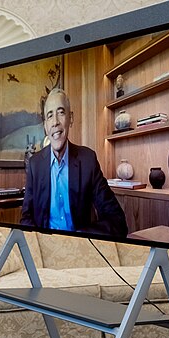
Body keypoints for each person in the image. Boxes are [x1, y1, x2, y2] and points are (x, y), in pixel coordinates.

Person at [20, 88, 128, 237]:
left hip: (79, 247)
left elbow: (117, 221)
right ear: (45, 126)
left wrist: (80, 236)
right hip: (45, 248)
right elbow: (26, 219)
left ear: (71, 118)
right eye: (50, 116)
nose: (55, 122)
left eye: (61, 112)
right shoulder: (34, 165)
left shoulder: (88, 160)